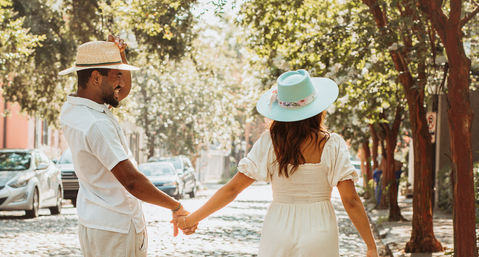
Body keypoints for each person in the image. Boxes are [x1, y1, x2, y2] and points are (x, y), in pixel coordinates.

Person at [175, 69, 378, 257]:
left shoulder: (269, 143)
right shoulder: (331, 144)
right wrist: (371, 246)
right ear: (317, 109)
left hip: (278, 228)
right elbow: (350, 200)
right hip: (320, 229)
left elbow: (232, 189)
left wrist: (192, 219)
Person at [59, 36, 195, 257]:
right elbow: (132, 182)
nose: (120, 84)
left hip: (94, 225)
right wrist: (176, 206)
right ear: (95, 78)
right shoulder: (97, 124)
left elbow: (122, 91)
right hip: (117, 230)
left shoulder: (73, 109)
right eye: (116, 76)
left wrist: (120, 57)